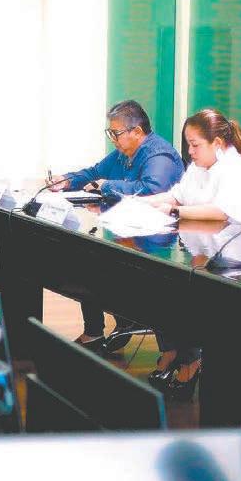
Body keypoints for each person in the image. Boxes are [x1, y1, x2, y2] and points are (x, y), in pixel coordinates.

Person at [140, 108, 241, 398]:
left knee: (182, 292)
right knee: (157, 280)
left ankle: (190, 361)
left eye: (195, 145)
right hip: (200, 248)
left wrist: (174, 211)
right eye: (188, 144)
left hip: (233, 257)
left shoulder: (235, 168)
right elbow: (177, 195)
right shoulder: (199, 165)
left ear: (217, 143)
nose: (190, 152)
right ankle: (176, 352)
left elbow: (221, 213)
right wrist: (144, 202)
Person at [50, 100, 184, 351]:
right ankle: (97, 330)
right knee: (84, 255)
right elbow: (94, 173)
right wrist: (67, 181)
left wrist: (107, 185)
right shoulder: (123, 152)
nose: (113, 139)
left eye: (116, 133)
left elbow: (151, 191)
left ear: (137, 131)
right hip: (127, 232)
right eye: (110, 133)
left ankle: (121, 319)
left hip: (156, 244)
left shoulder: (159, 155)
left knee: (93, 263)